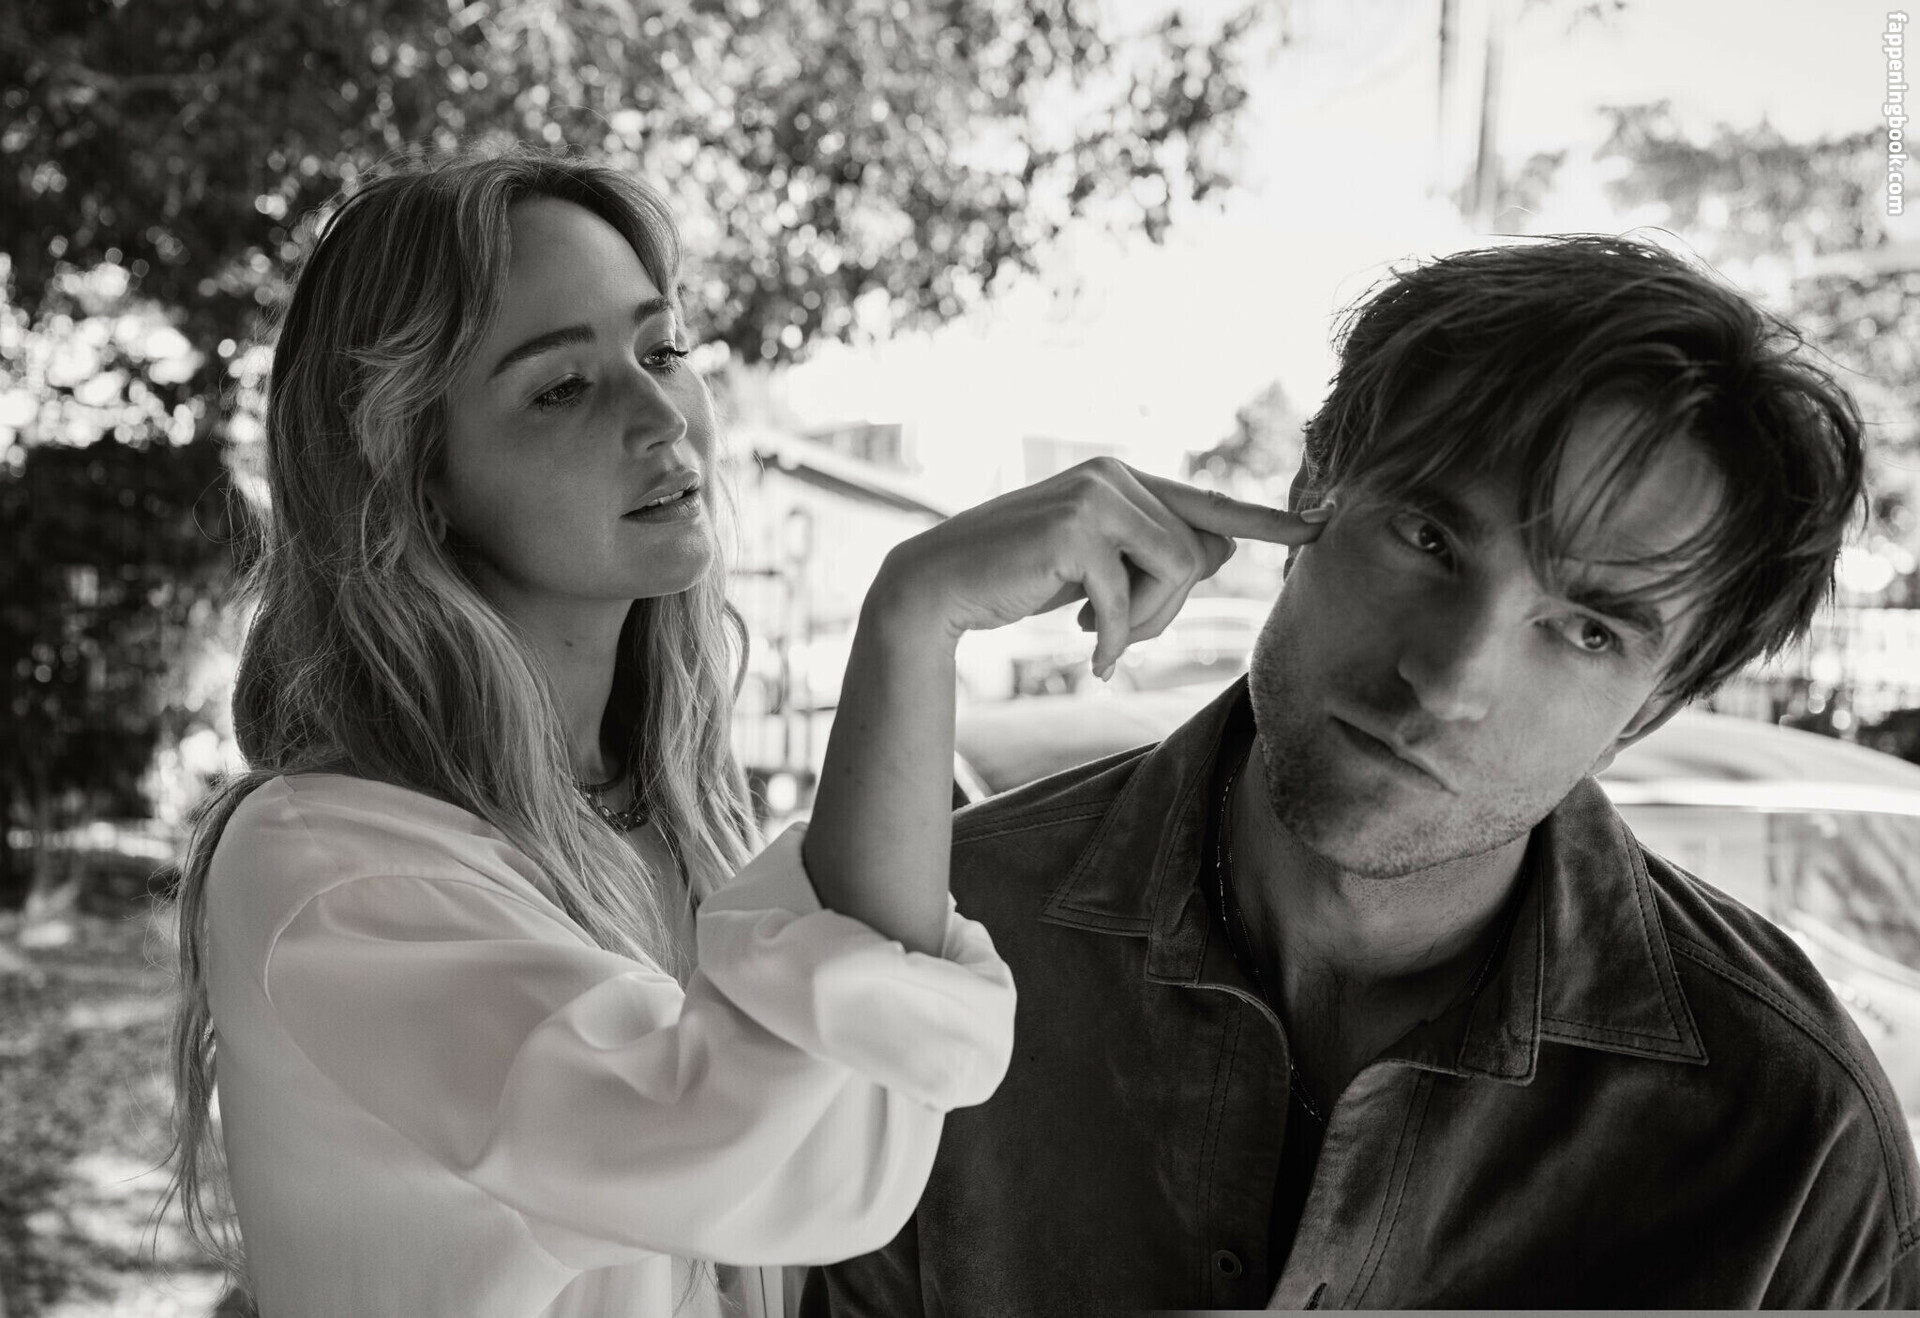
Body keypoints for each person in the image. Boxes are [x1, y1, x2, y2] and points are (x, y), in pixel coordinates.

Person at [157, 144, 1322, 1318]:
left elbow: (852, 1123)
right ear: (414, 473)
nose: (662, 413)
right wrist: (914, 616)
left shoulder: (661, 813)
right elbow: (757, 1153)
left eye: (663, 349)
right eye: (562, 387)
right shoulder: (332, 869)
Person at [808, 234, 1920, 1313]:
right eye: (1431, 538)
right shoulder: (940, 923)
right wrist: (913, 611)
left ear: (1654, 709)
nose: (1448, 680)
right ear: (1314, 493)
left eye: (1587, 631)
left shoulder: (1793, 1133)